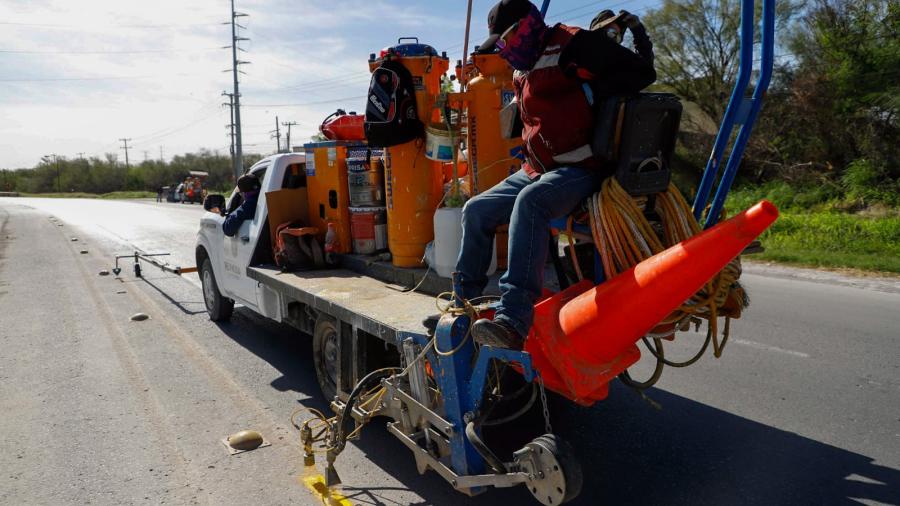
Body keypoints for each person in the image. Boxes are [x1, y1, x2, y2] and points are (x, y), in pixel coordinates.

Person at [456, 0, 656, 349]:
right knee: (475, 210)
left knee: (530, 203)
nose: (503, 52)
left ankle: (513, 321)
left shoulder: (574, 44)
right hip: (538, 168)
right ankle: (462, 309)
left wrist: (602, 90)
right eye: (498, 47)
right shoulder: (521, 69)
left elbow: (641, 74)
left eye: (505, 41)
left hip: (581, 168)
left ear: (526, 26)